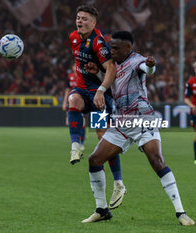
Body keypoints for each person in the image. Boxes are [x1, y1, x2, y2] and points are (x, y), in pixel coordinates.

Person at [81, 31, 195, 226]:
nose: (112, 50)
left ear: (128, 48)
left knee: (156, 160)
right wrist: (98, 73)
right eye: (111, 47)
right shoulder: (112, 65)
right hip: (122, 122)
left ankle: (181, 213)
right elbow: (112, 84)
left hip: (143, 119)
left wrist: (151, 66)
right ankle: (101, 210)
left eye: (116, 48)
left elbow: (147, 69)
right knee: (94, 160)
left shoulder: (137, 61)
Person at [68, 5, 126, 209]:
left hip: (99, 97)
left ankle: (118, 183)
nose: (79, 21)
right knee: (72, 100)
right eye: (78, 17)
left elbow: (111, 68)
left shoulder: (99, 43)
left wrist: (101, 89)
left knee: (104, 141)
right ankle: (76, 146)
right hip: (82, 91)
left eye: (84, 18)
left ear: (93, 23)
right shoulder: (74, 37)